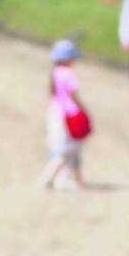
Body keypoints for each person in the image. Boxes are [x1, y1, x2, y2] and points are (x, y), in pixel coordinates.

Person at [37, 39, 92, 192]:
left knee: (60, 149)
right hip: (69, 115)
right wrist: (84, 110)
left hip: (54, 113)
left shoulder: (54, 73)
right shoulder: (68, 73)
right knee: (68, 150)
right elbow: (74, 95)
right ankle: (49, 178)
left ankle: (60, 180)